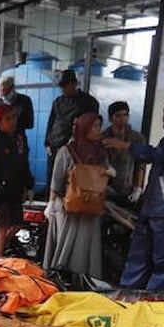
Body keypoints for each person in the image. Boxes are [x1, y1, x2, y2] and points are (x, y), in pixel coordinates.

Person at [103, 92, 164, 291]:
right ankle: (126, 297)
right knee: (137, 257)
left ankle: (152, 302)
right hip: (153, 207)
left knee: (161, 262)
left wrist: (127, 145)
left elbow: (160, 155)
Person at [43, 113, 115, 277]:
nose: (98, 130)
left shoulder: (100, 152)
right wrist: (52, 203)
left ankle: (85, 278)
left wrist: (108, 173)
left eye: (99, 126)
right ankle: (64, 276)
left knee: (86, 245)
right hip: (69, 208)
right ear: (84, 128)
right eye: (95, 126)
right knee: (67, 242)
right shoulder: (67, 151)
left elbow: (106, 176)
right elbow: (57, 179)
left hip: (92, 207)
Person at [0, 102, 34, 258]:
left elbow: (24, 164)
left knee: (17, 224)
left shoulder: (18, 139)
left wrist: (28, 185)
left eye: (13, 117)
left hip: (14, 191)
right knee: (1, 228)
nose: (12, 121)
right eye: (7, 118)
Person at [44, 69, 99, 160]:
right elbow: (51, 122)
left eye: (65, 85)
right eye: (61, 86)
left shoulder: (89, 102)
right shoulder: (58, 102)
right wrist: (47, 143)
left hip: (75, 149)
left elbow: (93, 127)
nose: (63, 89)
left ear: (74, 84)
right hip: (54, 146)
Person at [102, 101, 147, 202]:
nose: (123, 119)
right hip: (106, 189)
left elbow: (141, 165)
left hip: (129, 189)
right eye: (118, 115)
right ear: (110, 119)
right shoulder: (103, 138)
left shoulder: (137, 138)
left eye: (125, 115)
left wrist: (138, 188)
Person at [0, 75, 34, 166]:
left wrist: (14, 122)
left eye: (5, 90)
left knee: (19, 168)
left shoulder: (24, 101)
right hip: (1, 141)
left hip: (18, 140)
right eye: (1, 91)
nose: (2, 94)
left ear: (12, 88)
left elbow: (30, 123)